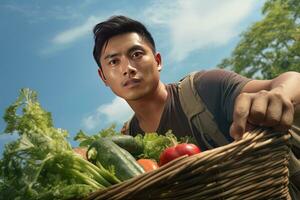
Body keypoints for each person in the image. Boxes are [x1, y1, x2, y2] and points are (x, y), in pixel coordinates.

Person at [92, 15, 300, 198]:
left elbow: (291, 79)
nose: (127, 68)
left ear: (157, 61)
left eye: (136, 54)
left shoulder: (203, 88)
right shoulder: (128, 139)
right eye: (113, 62)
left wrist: (279, 94)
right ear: (103, 77)